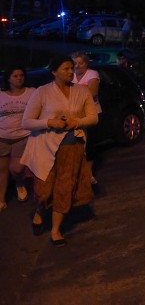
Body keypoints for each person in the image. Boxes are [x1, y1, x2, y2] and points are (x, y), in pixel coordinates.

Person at [21, 55, 98, 247]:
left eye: (72, 68)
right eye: (65, 69)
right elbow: (27, 122)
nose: (71, 72)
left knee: (64, 189)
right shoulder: (42, 92)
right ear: (54, 71)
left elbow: (93, 117)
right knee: (44, 189)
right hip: (45, 149)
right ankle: (39, 212)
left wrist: (77, 122)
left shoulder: (82, 91)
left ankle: (56, 230)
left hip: (72, 149)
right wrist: (49, 122)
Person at [0, 65, 35, 209]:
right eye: (15, 76)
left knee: (16, 169)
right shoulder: (1, 94)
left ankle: (19, 183)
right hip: (2, 137)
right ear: (8, 78)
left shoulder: (31, 92)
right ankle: (1, 199)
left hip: (23, 136)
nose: (19, 78)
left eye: (21, 75)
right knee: (2, 170)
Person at [71, 52, 101, 184]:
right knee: (76, 144)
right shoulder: (70, 76)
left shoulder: (92, 74)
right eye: (75, 63)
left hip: (90, 113)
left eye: (80, 63)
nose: (77, 66)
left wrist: (74, 92)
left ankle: (89, 173)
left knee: (89, 144)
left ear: (86, 63)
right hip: (75, 114)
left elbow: (92, 92)